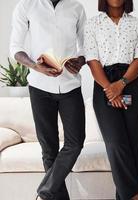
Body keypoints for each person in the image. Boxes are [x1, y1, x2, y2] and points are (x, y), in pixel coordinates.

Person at [9, 0, 87, 199]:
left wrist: (80, 60)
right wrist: (35, 66)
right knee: (49, 149)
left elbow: (85, 46)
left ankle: (44, 192)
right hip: (39, 87)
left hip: (70, 85)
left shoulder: (76, 7)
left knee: (76, 142)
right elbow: (16, 48)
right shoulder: (26, 6)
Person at [84, 0, 138, 199]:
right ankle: (136, 196)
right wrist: (110, 89)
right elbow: (92, 61)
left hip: (131, 83)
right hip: (104, 85)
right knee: (116, 143)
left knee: (134, 145)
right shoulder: (92, 24)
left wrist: (121, 84)